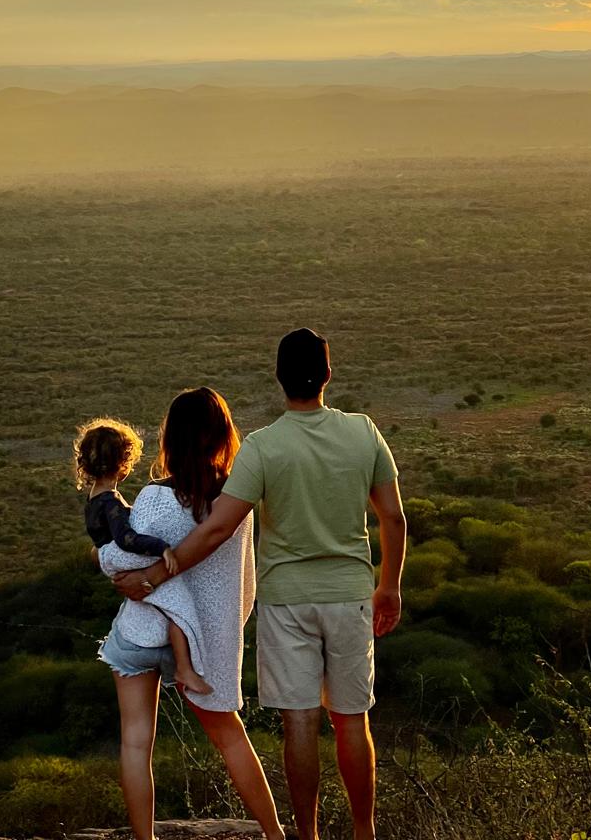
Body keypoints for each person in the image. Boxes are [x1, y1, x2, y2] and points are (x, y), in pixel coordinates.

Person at [115, 329, 407, 840]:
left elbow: (216, 529)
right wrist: (390, 587)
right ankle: (365, 832)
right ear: (328, 374)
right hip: (350, 596)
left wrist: (154, 574)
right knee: (351, 720)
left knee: (300, 723)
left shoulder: (264, 446)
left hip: (287, 603)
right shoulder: (364, 432)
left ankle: (306, 835)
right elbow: (394, 518)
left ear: (279, 378)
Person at [96, 388, 286, 840]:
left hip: (142, 632)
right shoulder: (236, 502)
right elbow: (240, 579)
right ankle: (275, 834)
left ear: (171, 437)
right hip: (204, 640)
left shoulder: (154, 497)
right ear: (222, 435)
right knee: (230, 738)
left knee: (136, 743)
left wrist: (102, 556)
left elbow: (124, 558)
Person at [74, 417, 211, 694]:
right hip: (123, 556)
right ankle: (184, 667)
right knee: (178, 602)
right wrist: (162, 547)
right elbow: (126, 539)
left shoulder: (94, 498)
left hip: (111, 559)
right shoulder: (111, 502)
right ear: (123, 465)